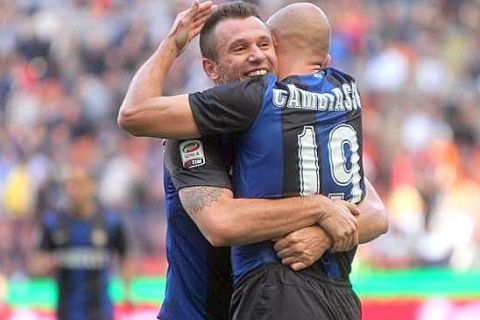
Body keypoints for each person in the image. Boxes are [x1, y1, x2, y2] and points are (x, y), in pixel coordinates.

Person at [119, 1, 388, 319]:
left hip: (280, 302)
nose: (257, 55)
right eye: (239, 48)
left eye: (264, 44)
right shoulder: (191, 136)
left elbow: (373, 212)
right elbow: (222, 222)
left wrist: (324, 236)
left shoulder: (290, 125)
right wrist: (319, 208)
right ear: (211, 69)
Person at [30, 165, 132, 320]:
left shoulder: (110, 222)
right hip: (66, 311)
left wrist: (126, 290)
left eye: (78, 184)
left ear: (92, 186)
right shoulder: (52, 222)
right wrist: (45, 267)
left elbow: (126, 256)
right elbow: (37, 263)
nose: (73, 190)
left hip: (100, 311)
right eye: (69, 185)